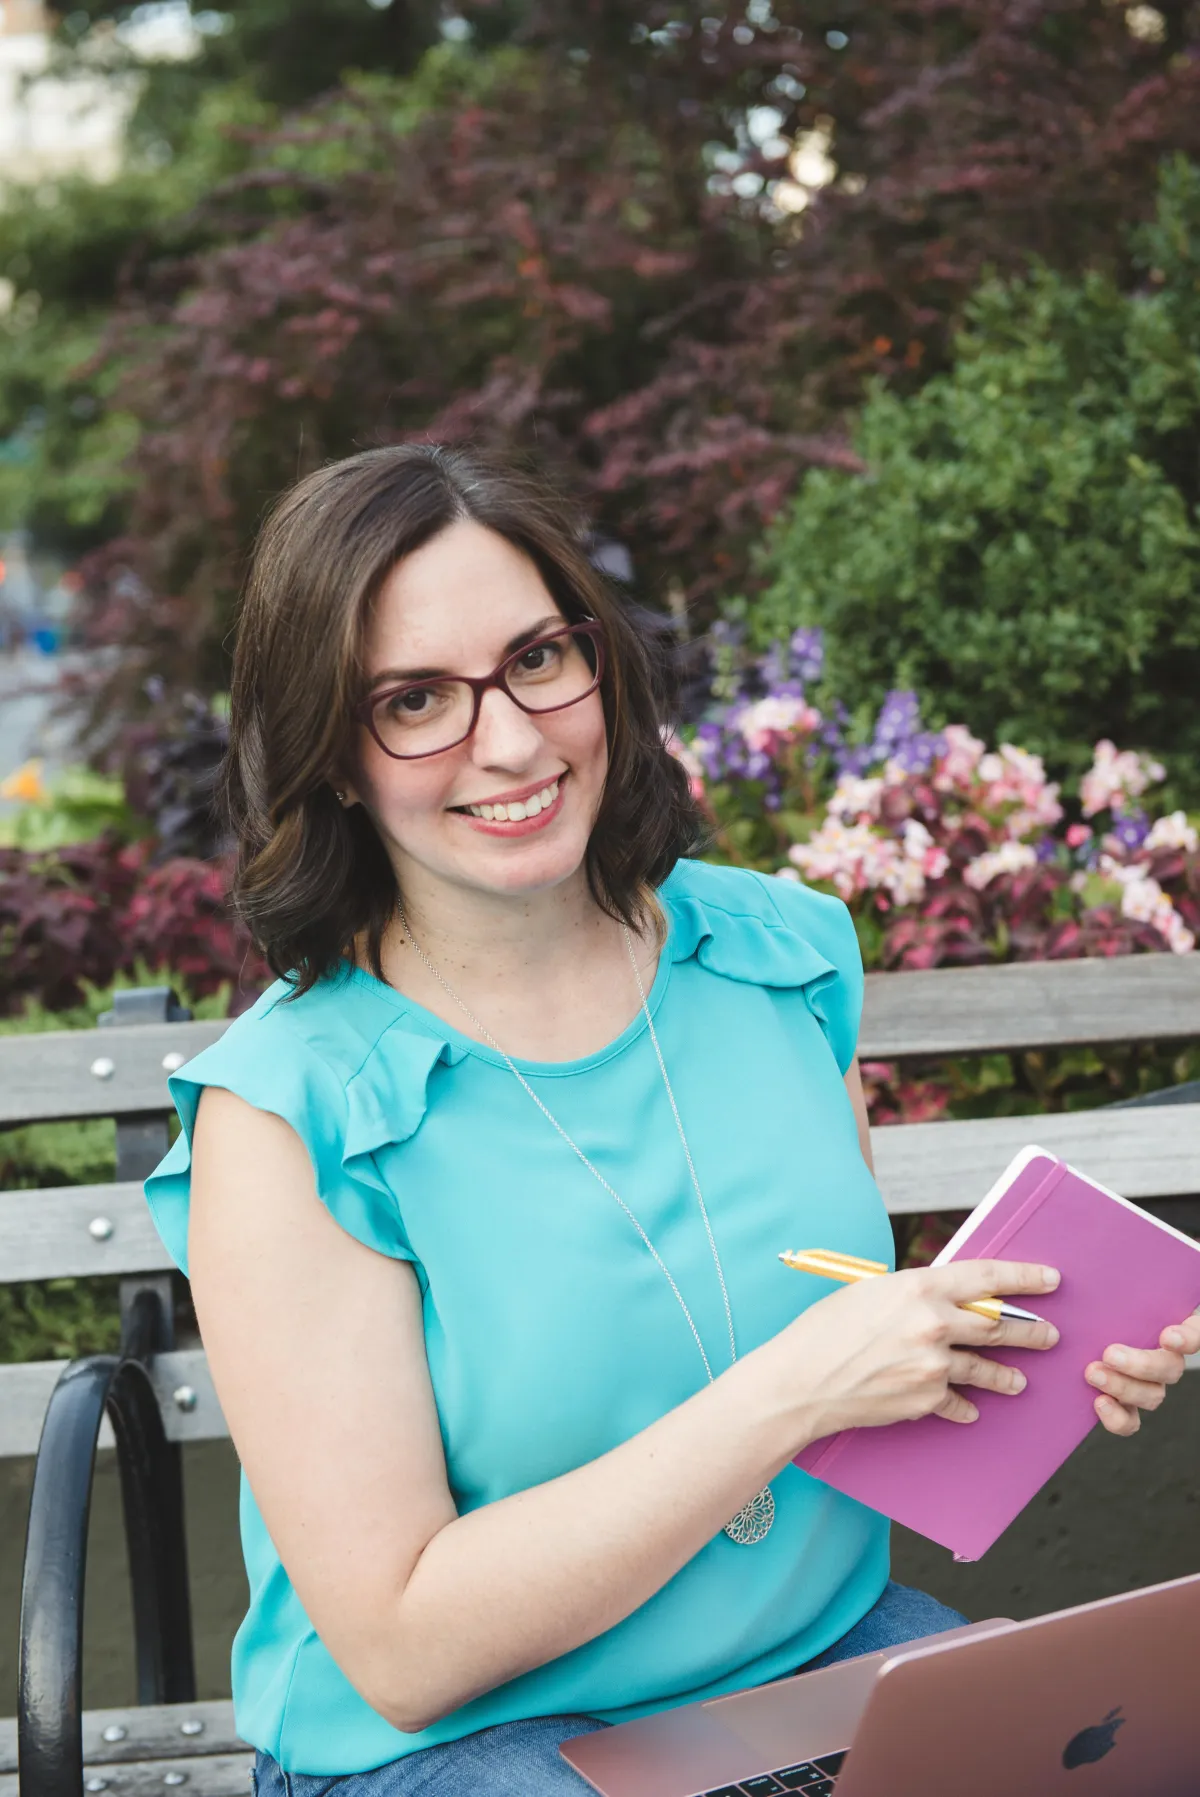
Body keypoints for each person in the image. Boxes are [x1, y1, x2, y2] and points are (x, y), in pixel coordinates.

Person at [144, 444, 1200, 1797]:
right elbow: (405, 1649)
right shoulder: (293, 1112)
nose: (514, 741)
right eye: (416, 700)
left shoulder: (780, 957)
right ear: (333, 757)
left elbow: (821, 1381)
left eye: (537, 659)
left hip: (822, 1658)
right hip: (471, 1743)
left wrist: (1017, 1359)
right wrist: (796, 1388)